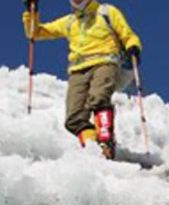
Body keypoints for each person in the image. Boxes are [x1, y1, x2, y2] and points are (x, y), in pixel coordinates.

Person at [22, 0, 142, 159]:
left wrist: (133, 46)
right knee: (74, 117)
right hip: (77, 70)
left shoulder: (106, 12)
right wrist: (32, 13)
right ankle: (92, 146)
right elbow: (35, 33)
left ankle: (106, 142)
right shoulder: (70, 21)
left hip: (105, 61)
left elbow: (126, 33)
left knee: (99, 98)